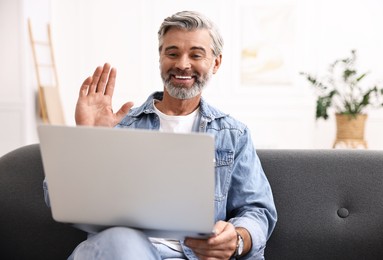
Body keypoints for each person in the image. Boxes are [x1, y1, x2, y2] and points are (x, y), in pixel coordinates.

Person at [57, 10, 277, 259]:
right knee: (121, 239)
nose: (182, 64)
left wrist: (237, 239)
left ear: (215, 63)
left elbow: (258, 211)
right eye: (172, 53)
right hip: (123, 252)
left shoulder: (233, 135)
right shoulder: (119, 127)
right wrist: (89, 139)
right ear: (160, 57)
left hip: (195, 255)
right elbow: (62, 203)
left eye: (196, 55)